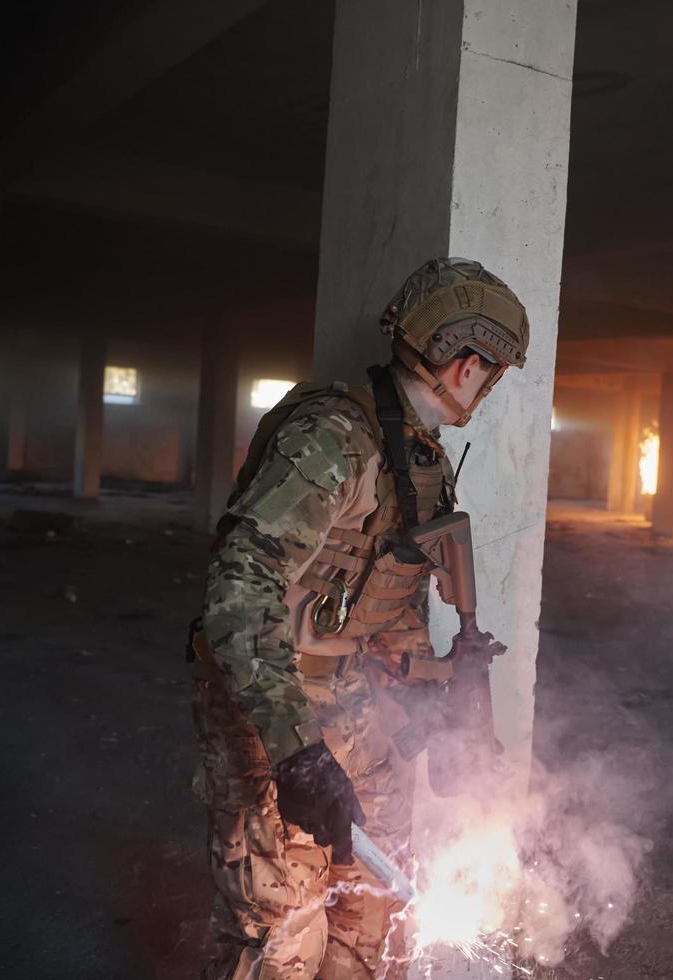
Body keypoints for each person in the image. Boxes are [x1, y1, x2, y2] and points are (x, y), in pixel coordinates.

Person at [191, 258, 530, 979]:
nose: (488, 385)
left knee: (370, 916)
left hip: (354, 708)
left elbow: (390, 599)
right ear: (470, 365)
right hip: (271, 713)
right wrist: (298, 751)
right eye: (493, 370)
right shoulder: (332, 439)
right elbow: (238, 584)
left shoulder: (417, 456)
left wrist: (428, 701)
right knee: (281, 929)